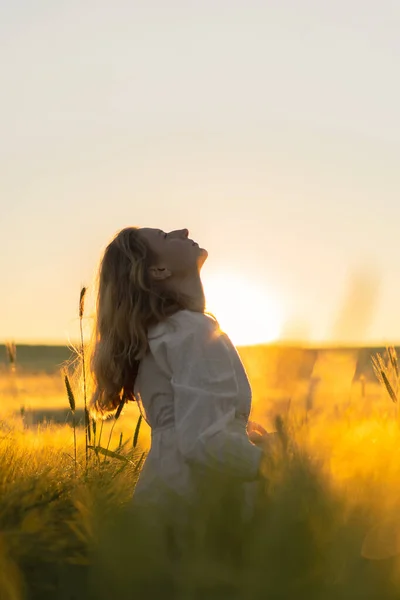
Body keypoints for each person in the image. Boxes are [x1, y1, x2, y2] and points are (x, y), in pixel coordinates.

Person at [87, 226, 275, 518]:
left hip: (167, 504)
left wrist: (241, 435)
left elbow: (188, 427)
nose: (182, 230)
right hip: (197, 513)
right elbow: (204, 443)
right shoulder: (191, 331)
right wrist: (276, 463)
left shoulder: (165, 334)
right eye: (164, 237)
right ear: (159, 270)